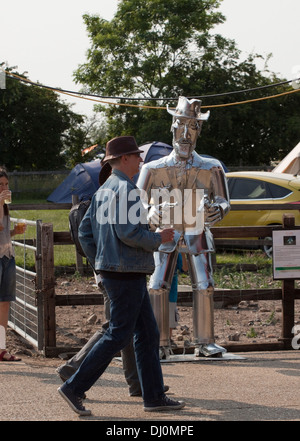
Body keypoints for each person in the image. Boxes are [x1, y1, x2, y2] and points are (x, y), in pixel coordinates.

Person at [57, 136, 186, 416]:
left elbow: (84, 233)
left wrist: (100, 262)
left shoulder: (103, 189)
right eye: (137, 156)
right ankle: (74, 387)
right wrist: (158, 238)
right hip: (127, 272)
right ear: (124, 158)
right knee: (118, 335)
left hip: (118, 272)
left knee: (147, 334)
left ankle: (153, 397)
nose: (141, 161)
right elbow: (129, 233)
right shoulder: (127, 190)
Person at [137, 96, 230, 358]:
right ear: (173, 127)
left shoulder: (211, 167)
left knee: (205, 284)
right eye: (181, 126)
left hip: (197, 229)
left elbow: (224, 200)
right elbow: (137, 202)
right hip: (165, 231)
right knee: (157, 285)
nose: (186, 134)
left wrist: (219, 209)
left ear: (199, 131)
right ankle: (159, 342)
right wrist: (151, 212)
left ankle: (205, 341)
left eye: (193, 127)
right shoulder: (153, 168)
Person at [0, 166, 26, 362]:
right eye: (0, 185)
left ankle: (1, 348)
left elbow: (2, 233)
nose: (5, 188)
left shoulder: (5, 207)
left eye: (6, 184)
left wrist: (14, 233)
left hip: (7, 256)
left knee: (5, 303)